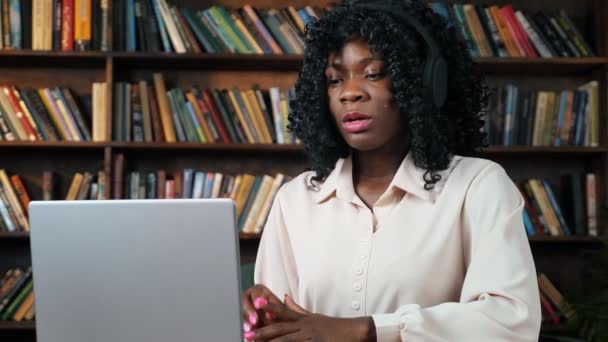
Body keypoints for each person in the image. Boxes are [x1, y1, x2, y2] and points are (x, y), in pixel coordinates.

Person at [241, 0, 542, 340]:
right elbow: (283, 330)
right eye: (334, 79)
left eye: (372, 74)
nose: (349, 93)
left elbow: (509, 324)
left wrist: (364, 330)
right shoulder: (295, 201)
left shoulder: (476, 186)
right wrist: (264, 316)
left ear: (423, 82)